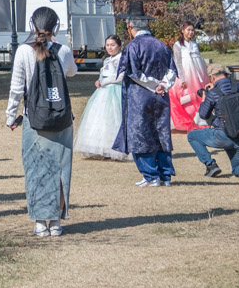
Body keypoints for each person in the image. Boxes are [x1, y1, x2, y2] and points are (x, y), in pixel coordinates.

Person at [6, 6, 78, 237]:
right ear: (55, 27)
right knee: (60, 169)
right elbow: (72, 72)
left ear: (31, 25)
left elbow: (16, 89)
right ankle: (56, 221)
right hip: (61, 119)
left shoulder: (23, 51)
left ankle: (39, 222)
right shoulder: (63, 49)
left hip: (34, 119)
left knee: (36, 169)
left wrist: (10, 116)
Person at [114, 13, 178, 187]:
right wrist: (163, 85)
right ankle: (165, 176)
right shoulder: (162, 46)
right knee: (161, 133)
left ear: (130, 27)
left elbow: (132, 72)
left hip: (139, 97)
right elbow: (172, 70)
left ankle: (150, 175)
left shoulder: (132, 47)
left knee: (140, 134)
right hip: (161, 97)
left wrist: (153, 85)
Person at [188, 65, 239, 179]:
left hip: (223, 136)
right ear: (227, 74)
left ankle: (211, 165)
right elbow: (229, 91)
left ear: (212, 78)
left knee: (192, 136)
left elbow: (203, 114)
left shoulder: (213, 93)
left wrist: (205, 96)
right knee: (237, 169)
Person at [75, 35, 129, 161]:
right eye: (108, 45)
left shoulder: (121, 58)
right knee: (100, 119)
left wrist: (104, 82)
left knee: (114, 119)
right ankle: (101, 149)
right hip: (102, 93)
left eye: (113, 45)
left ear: (119, 46)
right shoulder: (107, 60)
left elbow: (121, 77)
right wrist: (99, 81)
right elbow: (102, 74)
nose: (110, 47)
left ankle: (115, 149)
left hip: (115, 91)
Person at [168, 21, 208, 133]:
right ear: (183, 30)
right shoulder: (178, 45)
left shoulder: (194, 44)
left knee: (199, 95)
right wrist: (182, 78)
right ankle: (187, 120)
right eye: (188, 30)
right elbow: (178, 63)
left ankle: (199, 119)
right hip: (186, 74)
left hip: (197, 73)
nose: (190, 32)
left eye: (192, 30)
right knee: (184, 97)